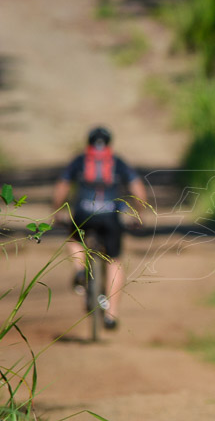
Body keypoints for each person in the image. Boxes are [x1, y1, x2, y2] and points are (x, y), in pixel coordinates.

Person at [52, 126, 148, 330]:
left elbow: (62, 186)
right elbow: (138, 189)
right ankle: (111, 315)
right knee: (114, 261)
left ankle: (80, 271)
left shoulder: (80, 160)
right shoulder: (117, 161)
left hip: (83, 213)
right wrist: (139, 212)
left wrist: (57, 210)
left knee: (74, 240)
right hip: (111, 215)